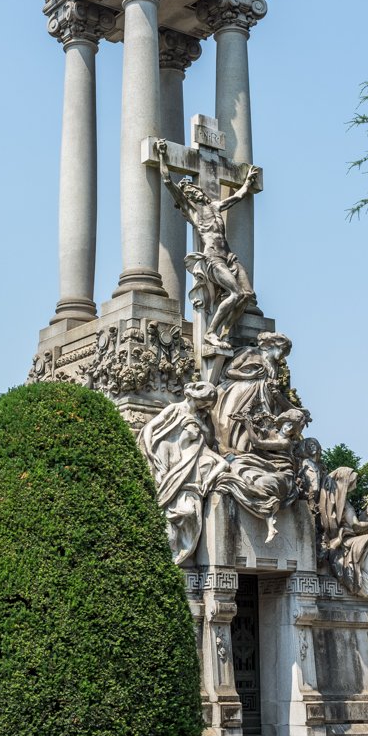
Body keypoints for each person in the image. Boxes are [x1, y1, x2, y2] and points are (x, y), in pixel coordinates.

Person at [155, 138, 259, 351]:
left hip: (229, 256)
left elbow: (238, 196)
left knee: (247, 294)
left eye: (195, 190)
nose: (195, 193)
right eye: (190, 194)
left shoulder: (216, 206)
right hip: (213, 258)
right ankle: (211, 333)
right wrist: (162, 157)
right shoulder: (194, 214)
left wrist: (248, 182)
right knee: (236, 293)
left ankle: (226, 331)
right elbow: (167, 182)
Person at [138, 382, 229, 565]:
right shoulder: (175, 410)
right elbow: (149, 428)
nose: (205, 407)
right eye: (203, 403)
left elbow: (212, 446)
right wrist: (149, 451)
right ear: (195, 397)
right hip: (169, 470)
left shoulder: (201, 426)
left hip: (188, 481)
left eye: (208, 405)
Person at [318, 466, 368, 598]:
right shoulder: (345, 504)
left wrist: (367, 516)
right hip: (342, 542)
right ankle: (365, 580)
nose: (354, 486)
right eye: (352, 482)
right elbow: (356, 526)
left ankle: (364, 581)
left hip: (334, 541)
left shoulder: (323, 499)